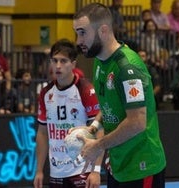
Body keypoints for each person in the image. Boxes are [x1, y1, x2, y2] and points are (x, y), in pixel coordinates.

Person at [73, 3, 166, 188]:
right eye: (77, 33)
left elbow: (137, 123)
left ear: (103, 31)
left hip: (142, 166)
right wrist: (94, 126)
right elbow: (109, 106)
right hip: (118, 165)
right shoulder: (100, 62)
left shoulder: (127, 68)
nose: (78, 40)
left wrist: (98, 145)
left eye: (83, 33)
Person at [34, 39, 103, 188]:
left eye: (63, 61)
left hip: (82, 170)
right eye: (55, 61)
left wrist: (96, 170)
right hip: (57, 173)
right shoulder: (46, 93)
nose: (58, 66)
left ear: (73, 64)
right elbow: (42, 133)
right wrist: (39, 170)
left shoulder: (85, 90)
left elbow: (99, 130)